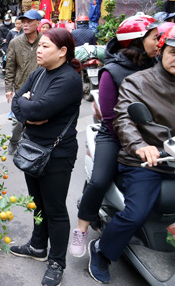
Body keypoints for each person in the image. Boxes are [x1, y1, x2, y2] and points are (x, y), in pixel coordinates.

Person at [89, 24, 175, 284]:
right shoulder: (138, 81)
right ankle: (102, 252)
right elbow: (123, 117)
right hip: (146, 163)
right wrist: (141, 145)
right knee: (136, 212)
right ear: (160, 51)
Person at [69, 15, 161, 257]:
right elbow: (111, 119)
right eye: (155, 38)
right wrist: (135, 144)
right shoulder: (113, 71)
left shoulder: (160, 66)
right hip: (114, 136)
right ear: (137, 42)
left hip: (151, 136)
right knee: (99, 180)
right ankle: (81, 228)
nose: (160, 42)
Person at [9, 28, 82, 286]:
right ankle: (38, 246)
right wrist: (29, 111)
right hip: (34, 149)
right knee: (37, 203)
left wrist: (28, 107)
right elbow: (18, 102)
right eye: (39, 46)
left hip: (56, 153)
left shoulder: (69, 79)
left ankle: (57, 262)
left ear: (62, 52)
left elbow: (36, 107)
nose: (39, 50)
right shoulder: (39, 73)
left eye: (46, 47)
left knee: (55, 209)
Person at [5, 10, 42, 152]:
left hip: (41, 87)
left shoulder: (45, 40)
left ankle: (34, 146)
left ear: (38, 23)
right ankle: (14, 141)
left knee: (40, 119)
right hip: (21, 87)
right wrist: (8, 88)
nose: (25, 25)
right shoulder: (15, 42)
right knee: (17, 121)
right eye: (23, 22)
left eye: (29, 21)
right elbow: (10, 67)